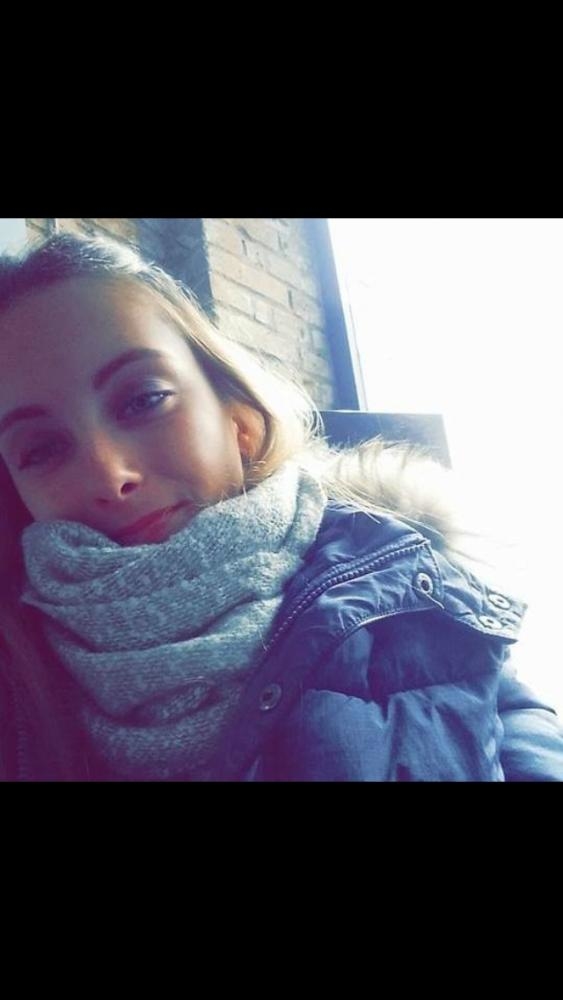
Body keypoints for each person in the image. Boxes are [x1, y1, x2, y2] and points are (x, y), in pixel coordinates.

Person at [0, 232, 561, 782]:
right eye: (41, 449)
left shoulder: (424, 603)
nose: (110, 475)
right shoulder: (16, 678)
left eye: (144, 400)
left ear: (239, 420)